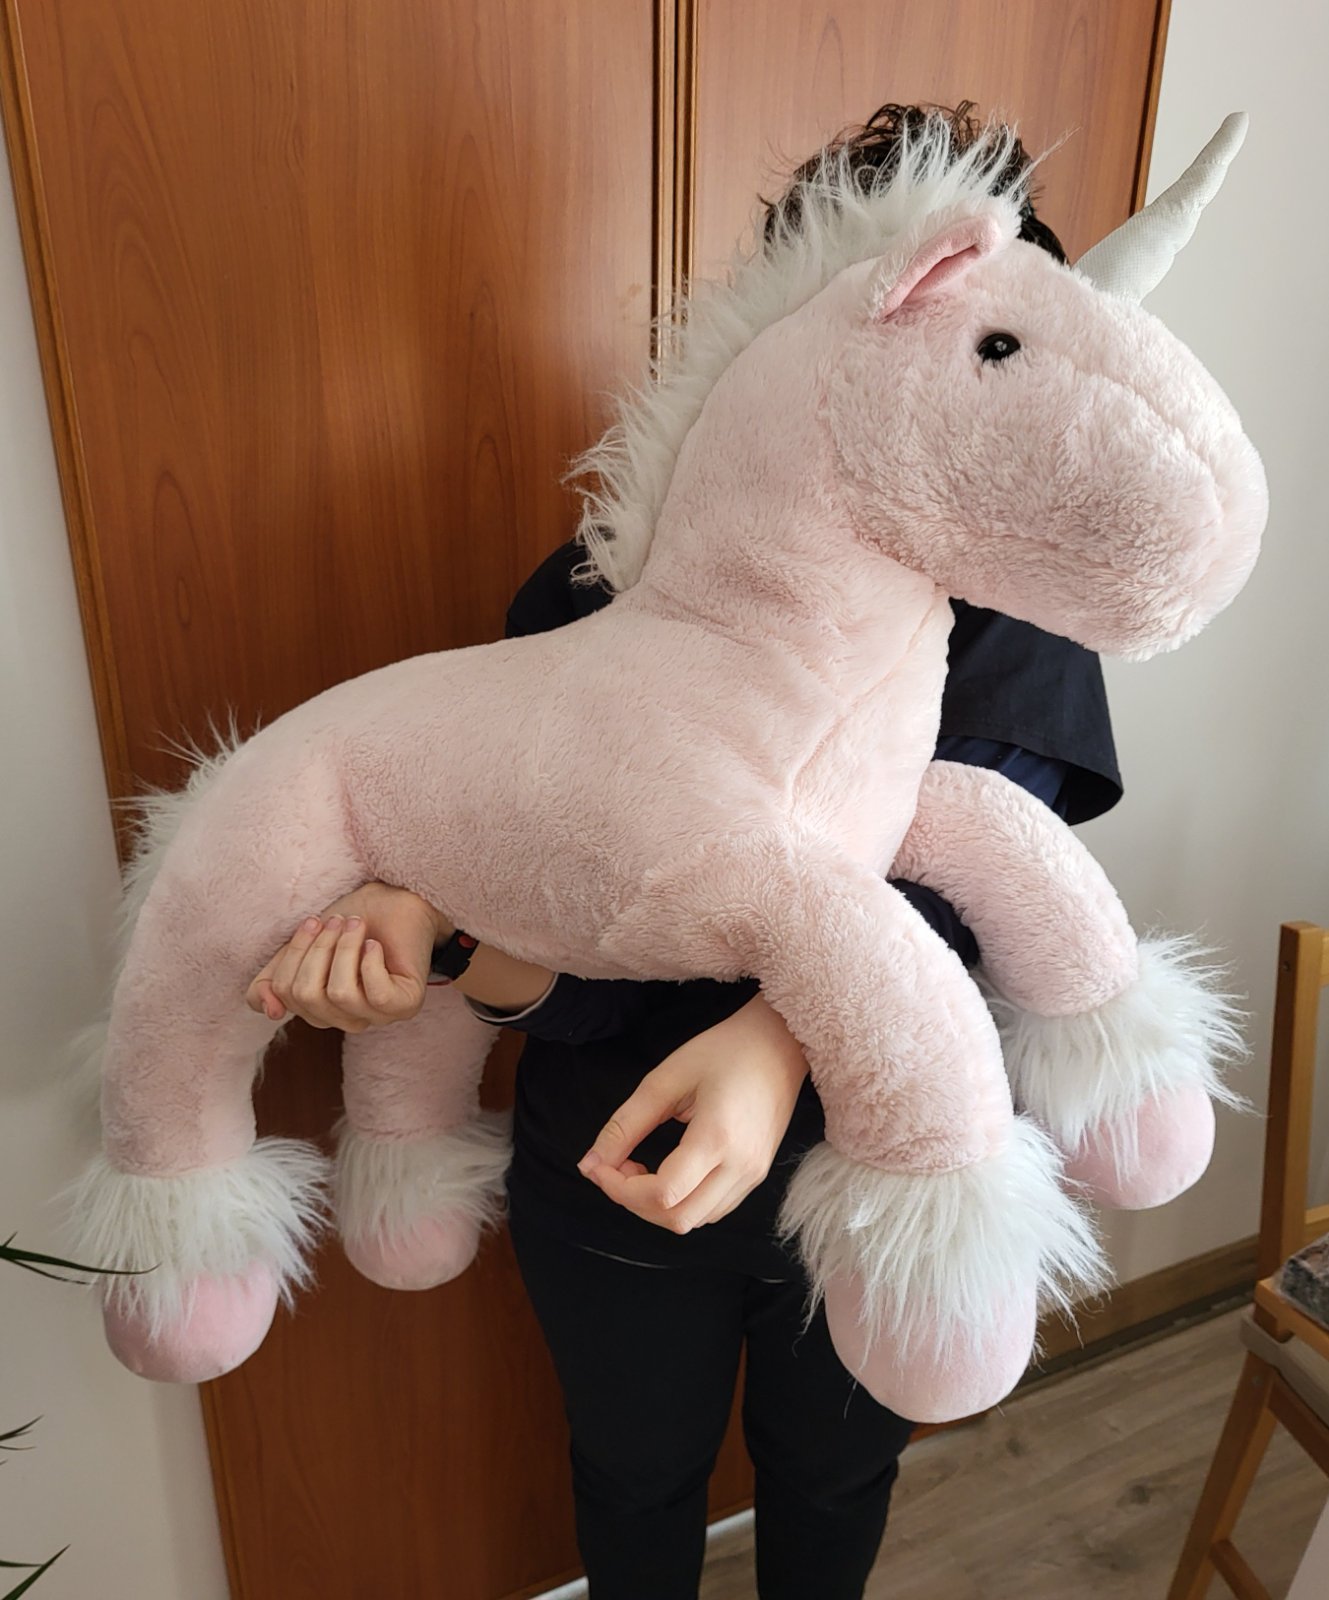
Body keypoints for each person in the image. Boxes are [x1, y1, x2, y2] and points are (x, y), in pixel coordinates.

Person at [248, 103, 1123, 1600]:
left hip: (883, 1175)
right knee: (632, 1483)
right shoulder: (593, 591)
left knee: (833, 1479)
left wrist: (780, 1041)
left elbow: (977, 892)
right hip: (611, 1167)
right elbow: (546, 927)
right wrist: (434, 938)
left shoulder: (1019, 620)